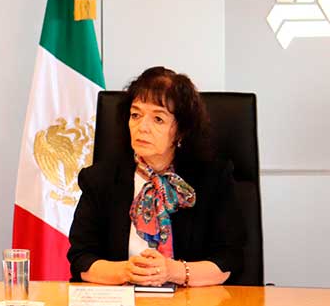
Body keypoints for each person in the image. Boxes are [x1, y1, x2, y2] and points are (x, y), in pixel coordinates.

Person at [67, 67, 245, 287]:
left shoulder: (212, 179)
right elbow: (81, 259)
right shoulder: (100, 179)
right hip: (121, 304)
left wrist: (172, 271)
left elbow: (228, 260)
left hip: (192, 304)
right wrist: (125, 271)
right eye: (135, 115)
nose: (142, 127)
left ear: (181, 131)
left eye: (158, 119)